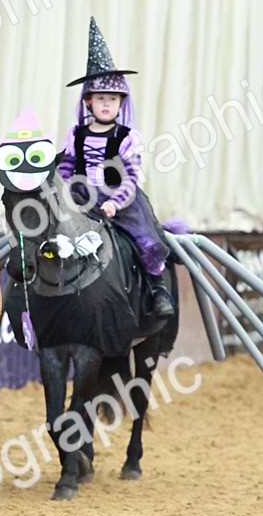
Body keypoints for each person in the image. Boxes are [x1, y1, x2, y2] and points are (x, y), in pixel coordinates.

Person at [57, 17, 175, 318]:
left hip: (118, 200)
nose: (107, 105)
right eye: (101, 99)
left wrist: (114, 202)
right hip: (82, 197)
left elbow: (131, 177)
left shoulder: (127, 138)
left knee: (145, 239)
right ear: (89, 103)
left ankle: (157, 288)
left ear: (121, 103)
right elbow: (67, 170)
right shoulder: (76, 134)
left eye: (112, 99)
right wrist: (63, 195)